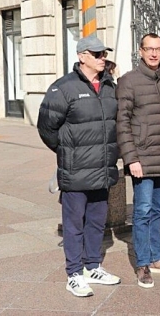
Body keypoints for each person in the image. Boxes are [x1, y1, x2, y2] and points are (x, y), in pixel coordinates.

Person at [37, 35, 121, 297]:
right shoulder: (63, 88)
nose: (102, 58)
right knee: (74, 224)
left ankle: (92, 266)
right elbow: (46, 127)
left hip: (102, 169)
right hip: (75, 171)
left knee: (97, 222)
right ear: (82, 56)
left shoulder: (110, 86)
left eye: (104, 54)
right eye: (97, 54)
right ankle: (74, 274)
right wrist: (66, 151)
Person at [116, 33, 160, 289]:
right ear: (140, 51)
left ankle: (156, 258)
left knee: (157, 211)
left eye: (158, 49)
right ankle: (142, 263)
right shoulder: (128, 81)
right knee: (141, 213)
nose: (154, 54)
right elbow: (122, 123)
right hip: (141, 159)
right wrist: (131, 158)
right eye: (149, 49)